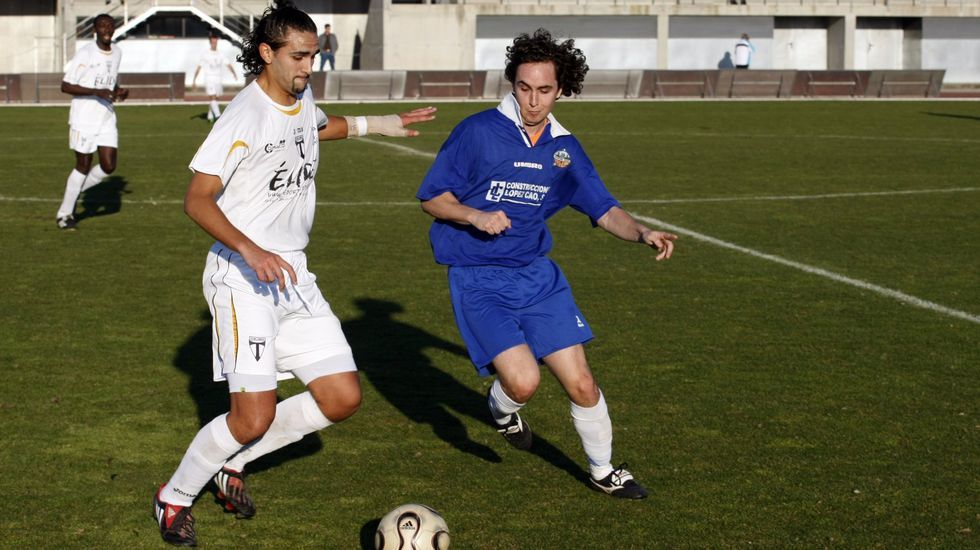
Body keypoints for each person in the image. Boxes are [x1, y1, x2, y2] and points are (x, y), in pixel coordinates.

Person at [152, 3, 435, 546]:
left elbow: (317, 127)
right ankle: (174, 496)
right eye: (299, 56)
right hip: (242, 275)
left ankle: (231, 466)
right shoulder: (243, 115)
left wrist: (386, 124)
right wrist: (251, 250)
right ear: (267, 52)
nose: (309, 66)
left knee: (341, 398)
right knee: (251, 417)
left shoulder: (299, 97)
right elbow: (197, 199)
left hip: (293, 274)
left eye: (314, 56)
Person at [416, 29, 677, 500]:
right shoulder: (476, 132)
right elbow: (433, 198)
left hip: (537, 278)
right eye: (523, 87)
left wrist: (640, 232)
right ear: (512, 83)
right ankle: (500, 412)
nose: (532, 101)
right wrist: (474, 214)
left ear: (561, 90)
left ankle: (603, 470)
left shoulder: (564, 149)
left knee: (581, 383)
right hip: (478, 279)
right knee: (523, 382)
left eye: (543, 90)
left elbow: (603, 208)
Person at [56, 13, 129, 230]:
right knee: (83, 165)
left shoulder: (117, 52)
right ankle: (65, 213)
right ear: (94, 31)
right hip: (83, 119)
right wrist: (97, 91)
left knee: (108, 166)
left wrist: (118, 92)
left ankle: (75, 190)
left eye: (110, 25)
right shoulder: (85, 53)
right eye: (102, 26)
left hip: (106, 117)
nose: (107, 29)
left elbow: (110, 82)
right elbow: (66, 85)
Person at [191, 32, 238, 122]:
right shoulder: (205, 53)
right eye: (212, 39)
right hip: (209, 78)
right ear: (210, 41)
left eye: (215, 39)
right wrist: (194, 80)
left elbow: (228, 64)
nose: (214, 41)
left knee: (216, 99)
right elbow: (199, 67)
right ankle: (218, 116)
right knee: (212, 97)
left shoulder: (221, 53)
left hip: (218, 79)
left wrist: (234, 73)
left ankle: (209, 116)